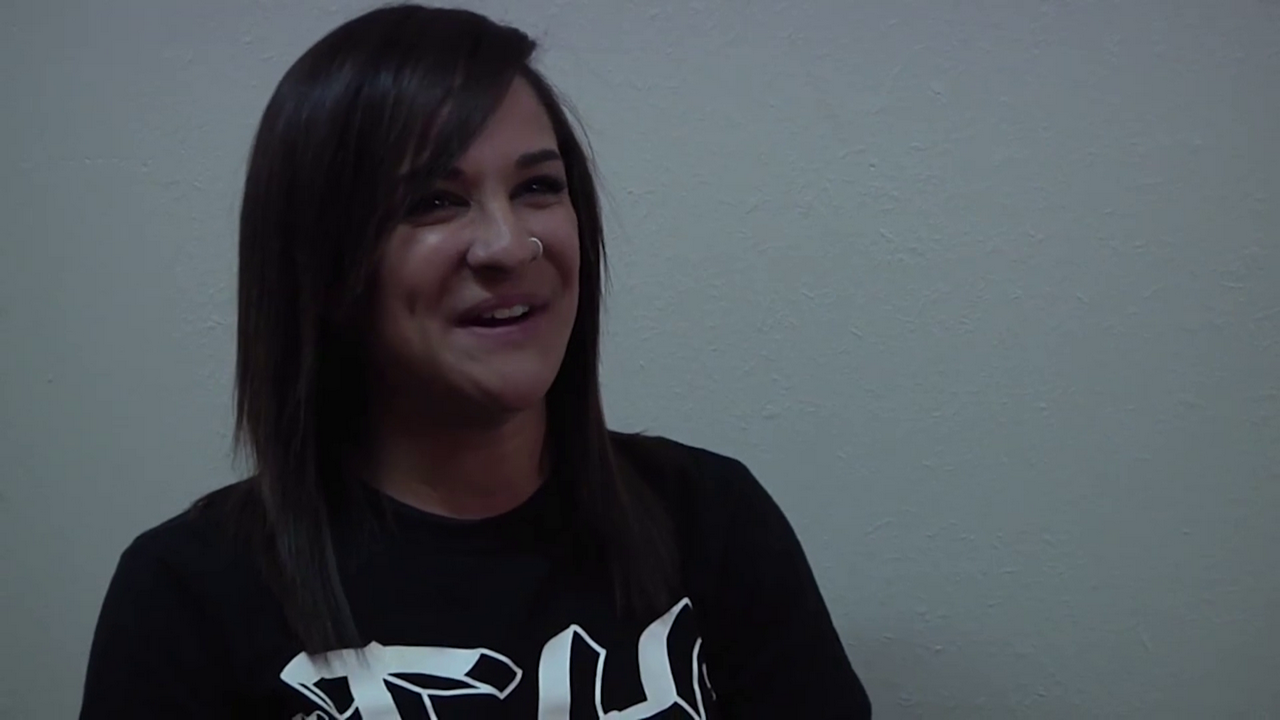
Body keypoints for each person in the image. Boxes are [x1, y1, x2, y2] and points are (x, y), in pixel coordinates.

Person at [78, 5, 872, 718]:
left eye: (538, 187)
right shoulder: (189, 592)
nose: (510, 245)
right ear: (319, 261)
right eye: (433, 201)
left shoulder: (711, 520)